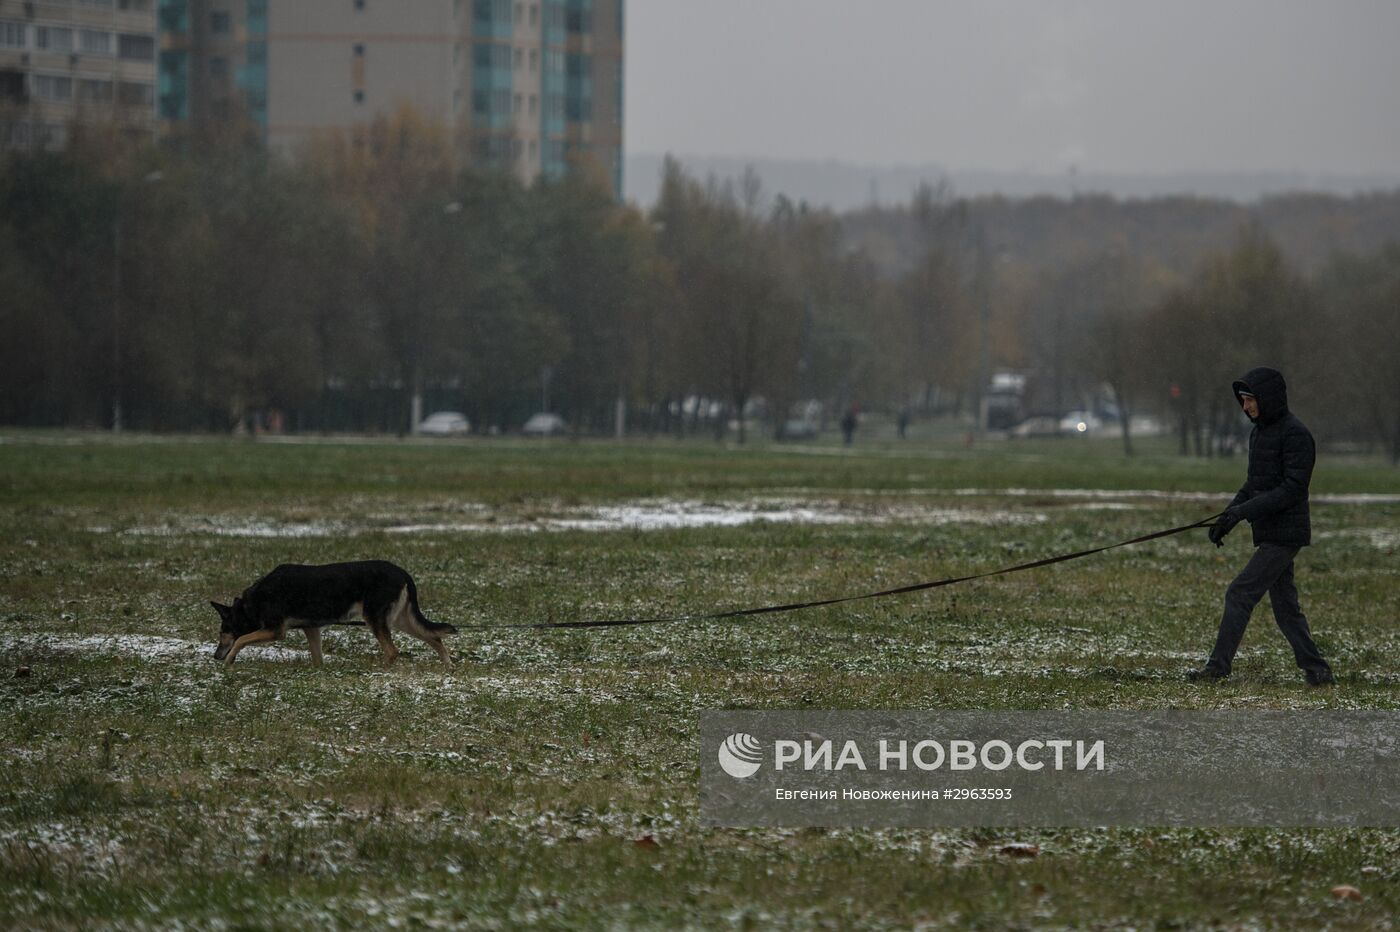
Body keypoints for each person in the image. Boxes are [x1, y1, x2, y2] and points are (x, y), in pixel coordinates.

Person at [1190, 367, 1334, 686]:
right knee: (1285, 607)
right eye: (1242, 401)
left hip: (1285, 534)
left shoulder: (1296, 434)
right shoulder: (1259, 433)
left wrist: (1242, 512)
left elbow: (1292, 488)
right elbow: (1253, 484)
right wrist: (1226, 517)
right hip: (1269, 531)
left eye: (1250, 400)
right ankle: (1318, 670)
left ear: (1268, 399)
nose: (1246, 407)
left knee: (1240, 593)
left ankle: (1217, 668)